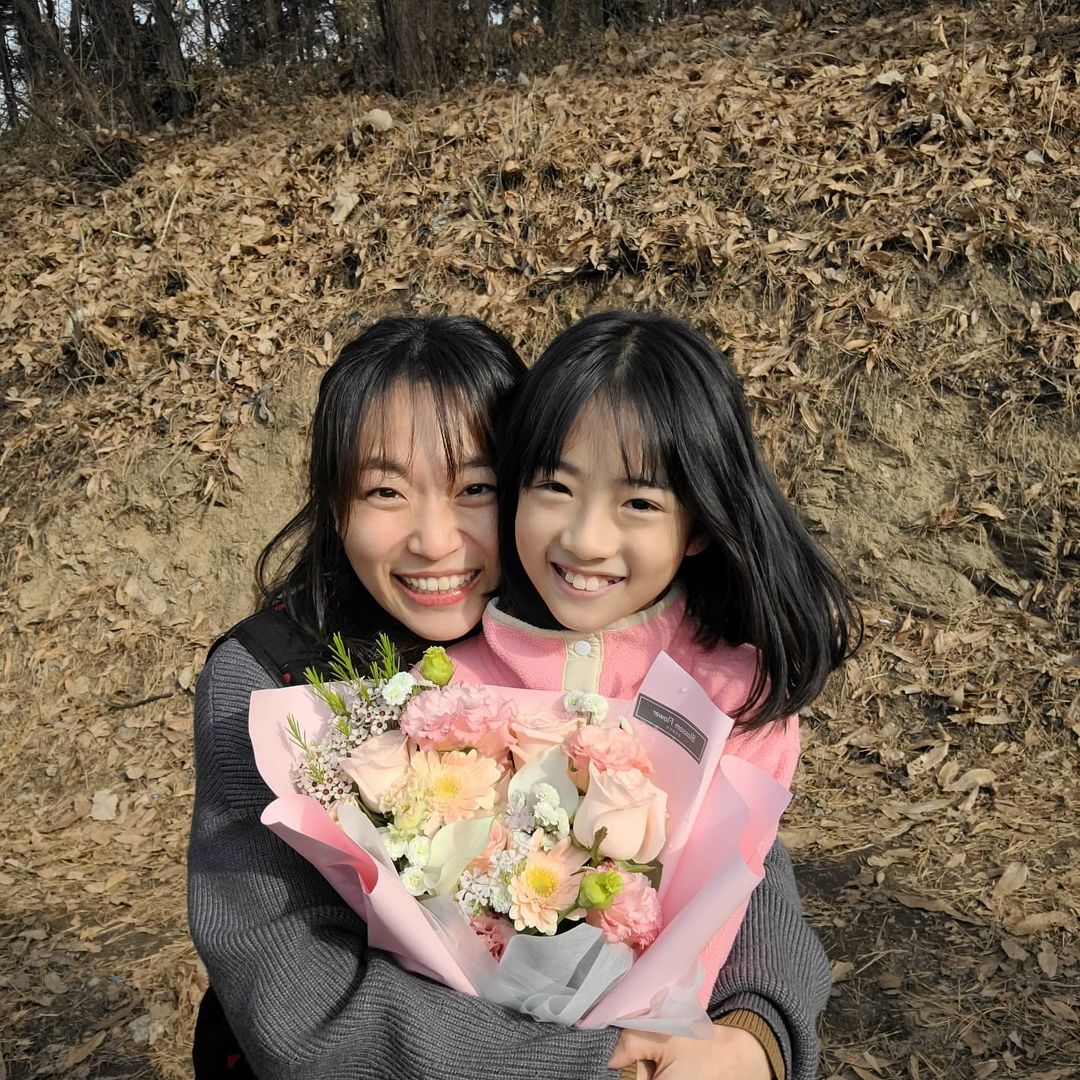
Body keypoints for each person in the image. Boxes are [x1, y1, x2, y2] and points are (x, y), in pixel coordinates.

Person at [188, 314, 833, 1080]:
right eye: (386, 491)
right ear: (336, 504)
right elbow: (295, 995)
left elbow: (735, 859)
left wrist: (755, 1032)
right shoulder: (273, 681)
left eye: (476, 488)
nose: (435, 541)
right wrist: (591, 1065)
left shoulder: (575, 637)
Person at [446, 310, 860, 1080]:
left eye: (637, 502)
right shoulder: (450, 692)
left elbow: (727, 915)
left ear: (698, 522)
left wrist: (720, 1045)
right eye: (555, 487)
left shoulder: (736, 699)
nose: (585, 538)